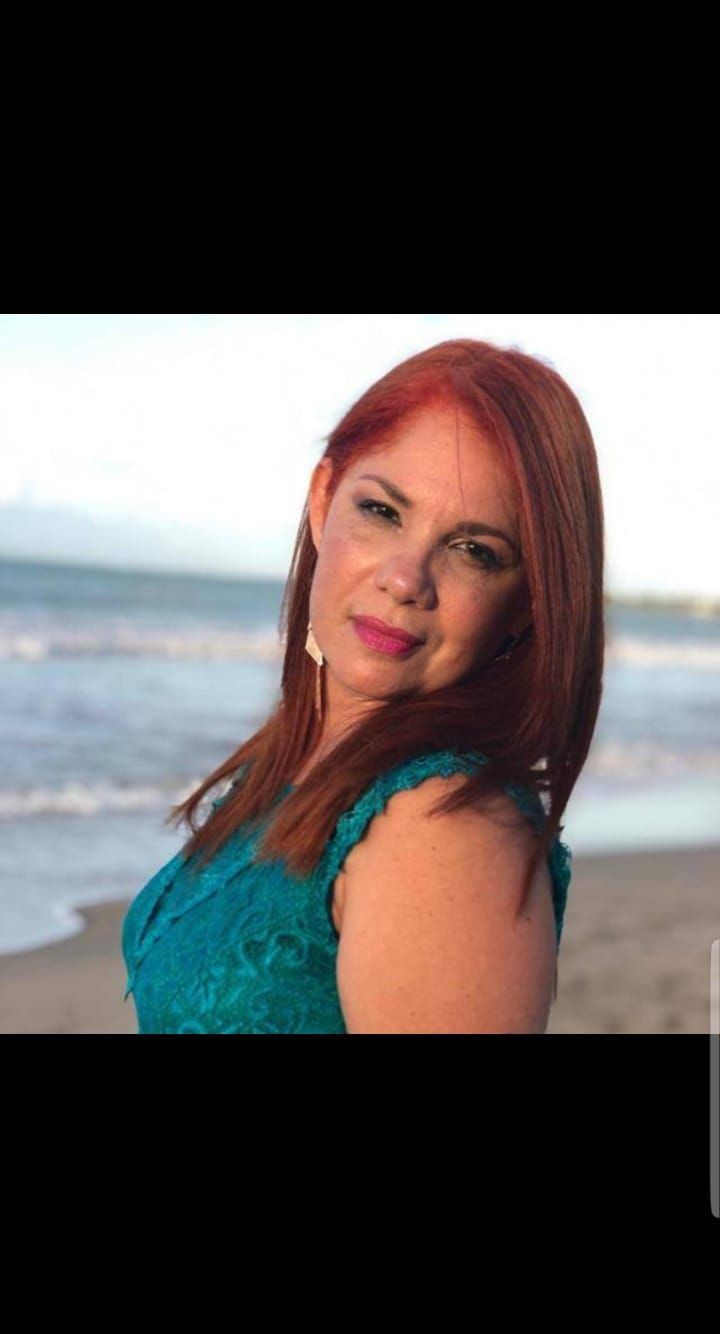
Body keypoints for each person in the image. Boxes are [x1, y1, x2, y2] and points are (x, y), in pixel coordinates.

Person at [121, 337, 604, 1033]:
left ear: (529, 601)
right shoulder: (296, 762)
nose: (406, 578)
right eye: (382, 511)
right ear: (323, 500)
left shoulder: (449, 830)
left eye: (474, 551)